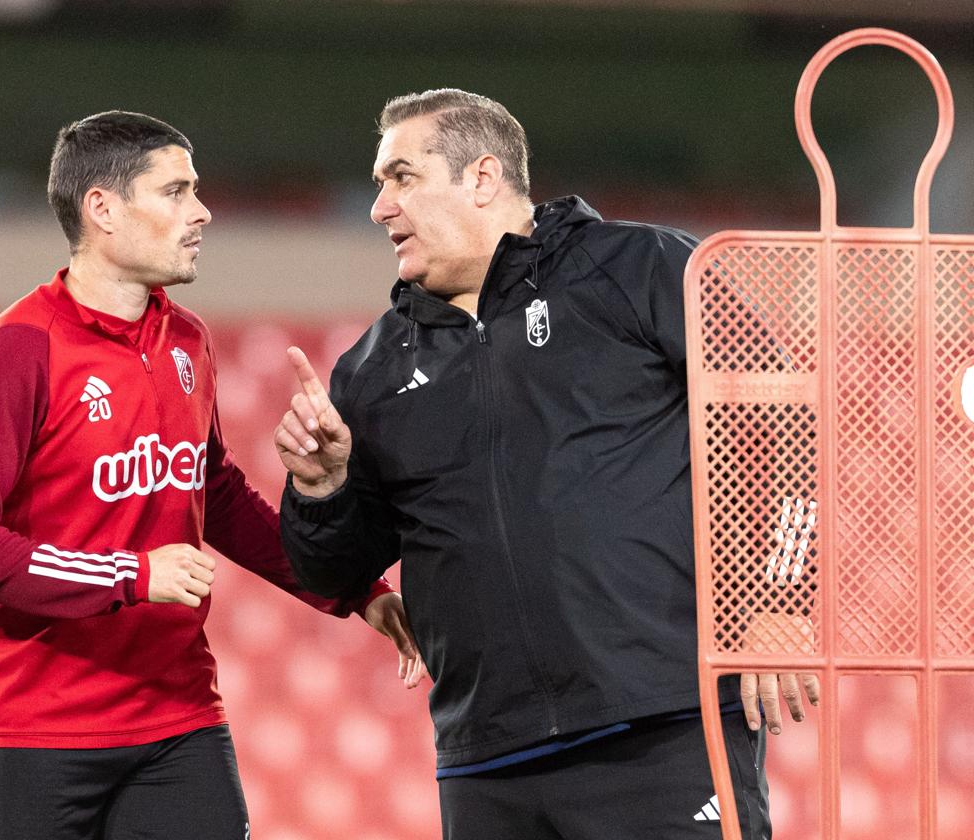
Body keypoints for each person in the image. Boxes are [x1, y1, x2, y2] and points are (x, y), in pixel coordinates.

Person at [276, 89, 819, 839]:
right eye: (378, 183)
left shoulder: (643, 266)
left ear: (482, 177)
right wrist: (320, 487)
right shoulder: (369, 371)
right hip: (487, 761)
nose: (379, 207)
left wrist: (781, 597)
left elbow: (790, 420)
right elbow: (335, 572)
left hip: (663, 729)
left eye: (401, 176)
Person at [0, 110, 420, 840]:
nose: (202, 211)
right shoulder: (15, 354)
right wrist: (130, 574)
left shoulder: (187, 340)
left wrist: (350, 586)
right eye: (176, 192)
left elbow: (213, 495)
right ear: (103, 210)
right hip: (35, 733)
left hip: (178, 722)